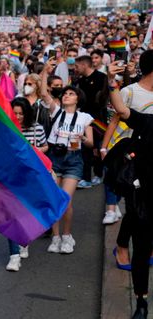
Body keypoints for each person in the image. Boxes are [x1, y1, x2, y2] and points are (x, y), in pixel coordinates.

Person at [107, 61, 152, 319]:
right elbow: (122, 111)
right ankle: (141, 302)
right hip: (143, 192)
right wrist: (114, 83)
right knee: (142, 247)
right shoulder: (148, 122)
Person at [41, 58, 94, 255]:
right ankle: (55, 237)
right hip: (55, 158)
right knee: (55, 198)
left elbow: (90, 143)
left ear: (77, 99)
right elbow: (44, 93)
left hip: (73, 159)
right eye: (65, 94)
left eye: (71, 94)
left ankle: (67, 235)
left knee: (65, 199)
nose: (66, 96)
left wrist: (82, 137)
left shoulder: (84, 117)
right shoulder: (56, 112)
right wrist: (46, 71)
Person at [5, 98, 48, 271]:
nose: (18, 116)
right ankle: (15, 251)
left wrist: (33, 150)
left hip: (30, 175)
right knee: (13, 213)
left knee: (27, 211)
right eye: (15, 113)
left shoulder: (36, 128)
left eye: (21, 113)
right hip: (11, 175)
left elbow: (45, 146)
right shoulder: (6, 127)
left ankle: (25, 239)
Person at [75, 55, 108, 188]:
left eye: (77, 66)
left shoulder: (101, 78)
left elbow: (103, 99)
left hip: (98, 119)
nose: (75, 69)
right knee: (85, 148)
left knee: (98, 147)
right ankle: (86, 178)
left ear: (84, 65)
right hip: (84, 119)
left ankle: (99, 174)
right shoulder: (81, 81)